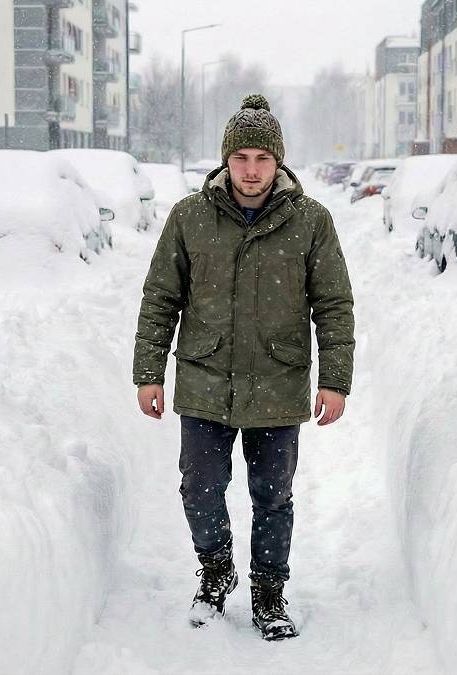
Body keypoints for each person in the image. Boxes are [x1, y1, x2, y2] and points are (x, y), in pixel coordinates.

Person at [132, 94, 355, 641]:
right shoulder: (189, 217)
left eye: (262, 158)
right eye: (241, 158)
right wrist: (149, 372)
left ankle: (268, 592)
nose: (251, 170)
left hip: (278, 382)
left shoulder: (310, 221)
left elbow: (333, 305)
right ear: (225, 160)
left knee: (272, 497)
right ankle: (216, 569)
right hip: (204, 380)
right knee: (199, 489)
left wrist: (335, 381)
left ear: (278, 162)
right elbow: (161, 297)